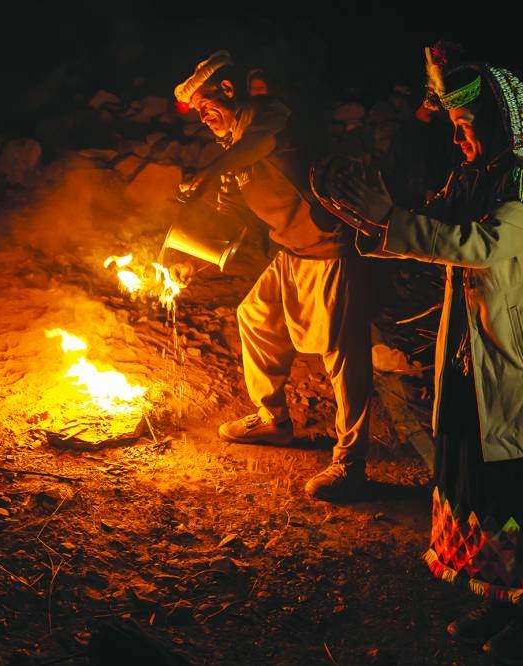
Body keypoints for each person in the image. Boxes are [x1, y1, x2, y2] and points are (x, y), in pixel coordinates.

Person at [317, 45, 523, 664]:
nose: (460, 139)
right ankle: (500, 597)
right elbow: (433, 228)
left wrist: (390, 220)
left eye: (466, 127)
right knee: (484, 481)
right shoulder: (477, 174)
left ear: (501, 122)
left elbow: (475, 243)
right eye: (454, 128)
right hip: (475, 353)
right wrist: (371, 221)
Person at [172, 50, 373, 501]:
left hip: (330, 249)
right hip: (291, 250)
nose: (204, 118)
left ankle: (350, 461)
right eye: (199, 114)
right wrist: (198, 253)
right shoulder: (234, 147)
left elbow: (258, 146)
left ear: (228, 90)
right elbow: (247, 211)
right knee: (256, 316)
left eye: (207, 107)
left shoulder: (270, 117)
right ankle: (274, 420)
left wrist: (209, 173)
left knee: (342, 356)